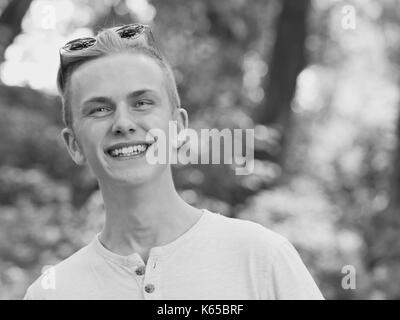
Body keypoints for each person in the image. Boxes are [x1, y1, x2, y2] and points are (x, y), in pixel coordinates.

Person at [23, 23, 324, 300]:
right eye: (99, 109)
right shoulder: (50, 293)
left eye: (141, 103)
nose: (123, 123)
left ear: (178, 128)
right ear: (74, 145)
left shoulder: (261, 257)